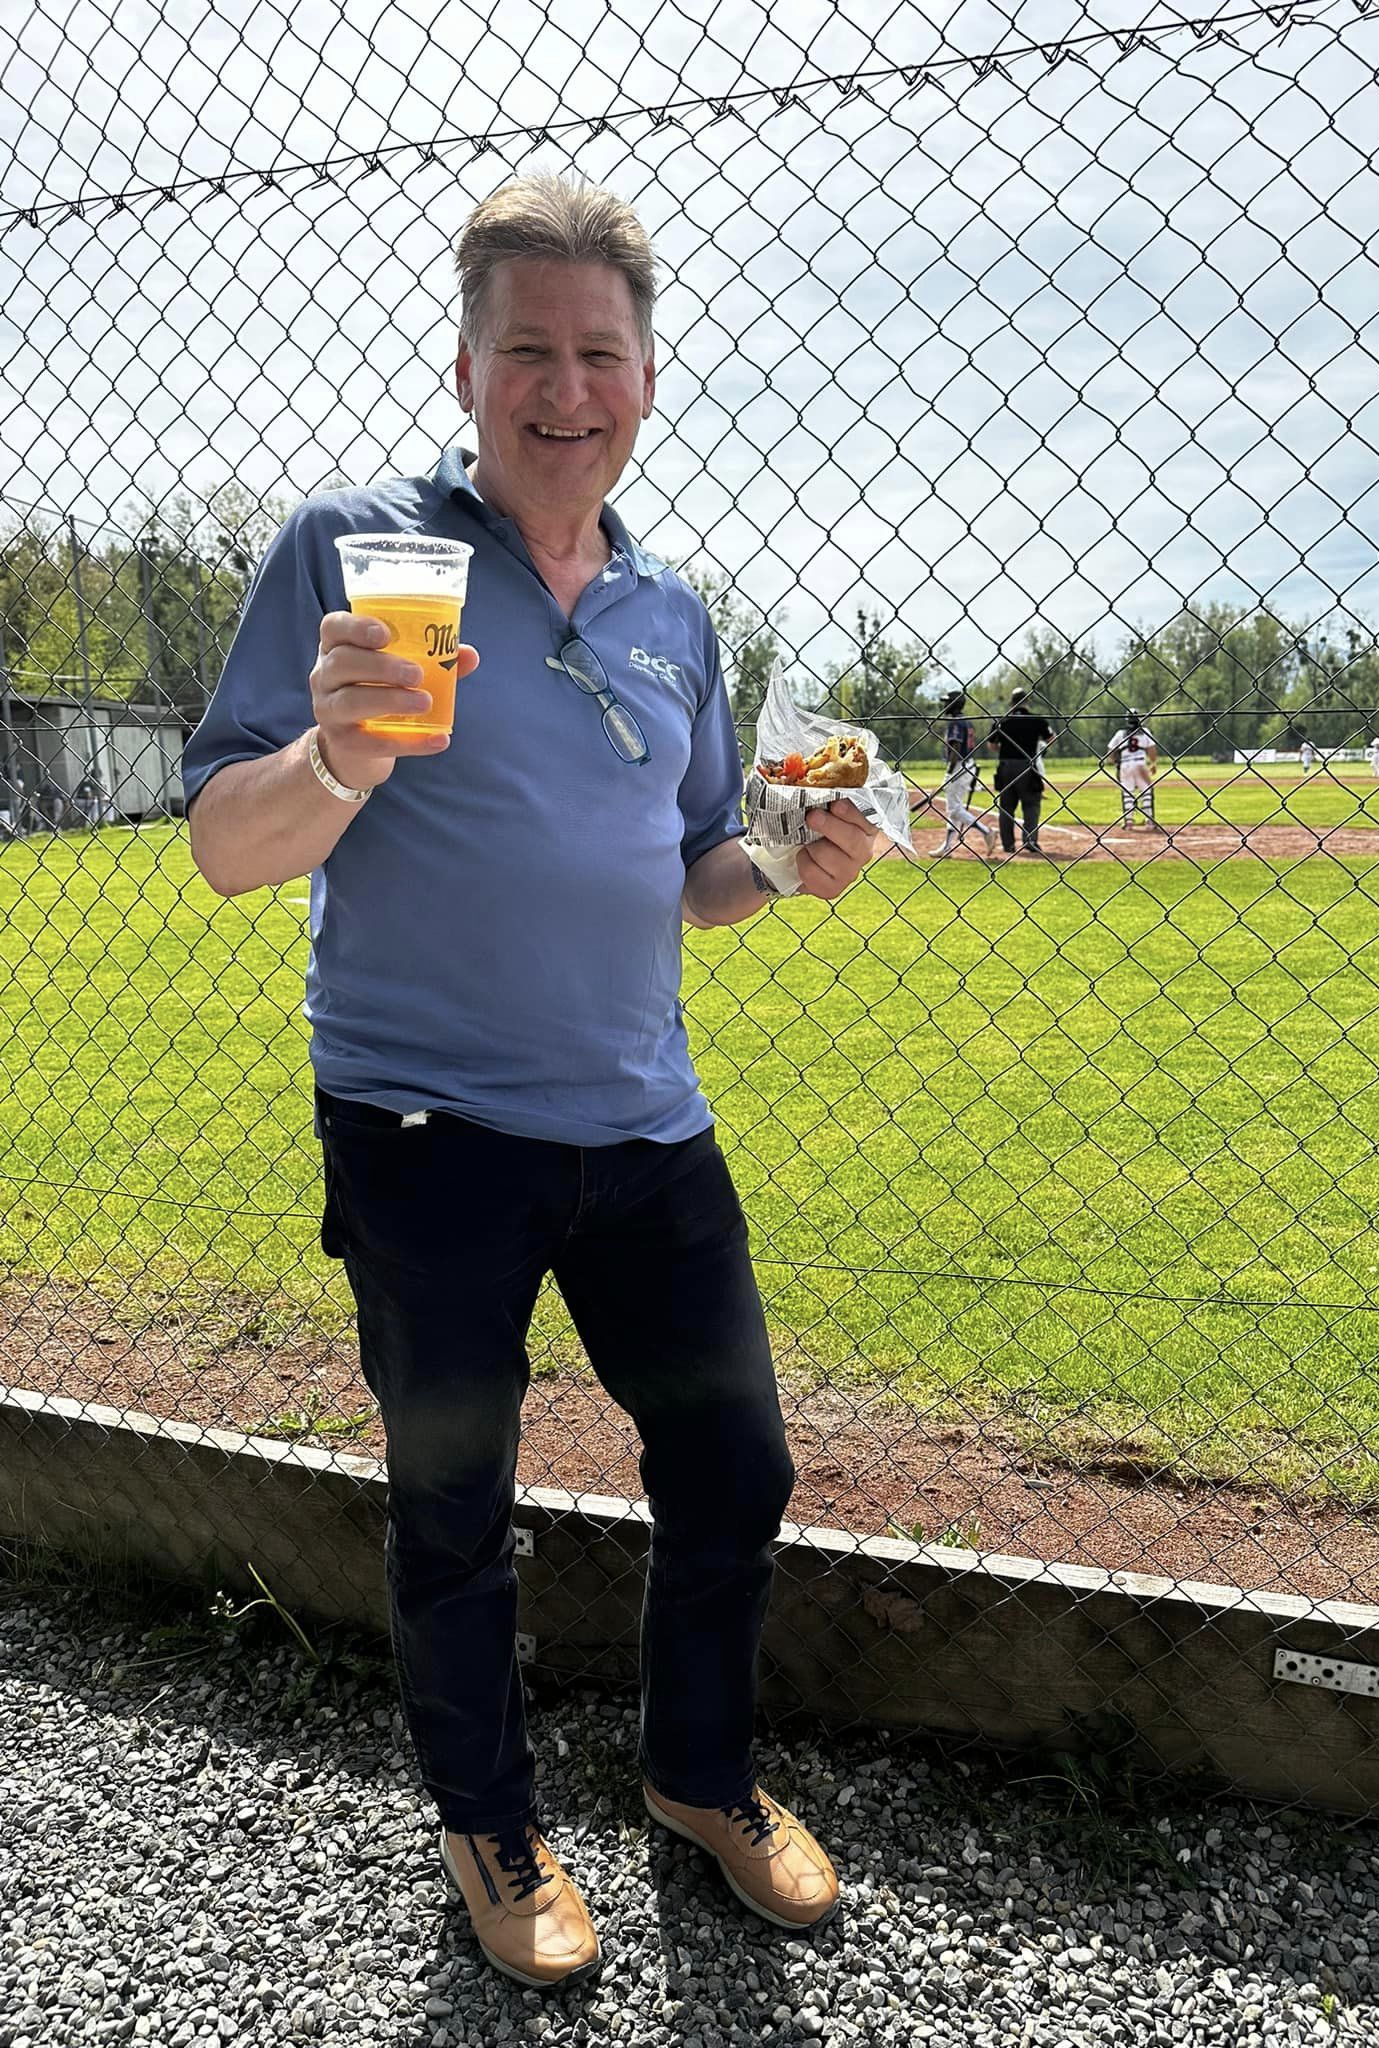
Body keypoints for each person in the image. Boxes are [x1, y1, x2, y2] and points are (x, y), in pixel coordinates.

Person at [183, 175, 880, 1990]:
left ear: (646, 375)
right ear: (469, 367)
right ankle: (487, 1818)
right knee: (453, 1501)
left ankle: (697, 1776)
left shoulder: (672, 614)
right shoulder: (354, 552)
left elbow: (696, 868)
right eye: (527, 352)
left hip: (645, 1126)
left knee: (733, 1465)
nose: (566, 390)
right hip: (426, 1132)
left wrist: (787, 859)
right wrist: (338, 757)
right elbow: (226, 846)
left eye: (599, 354)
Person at [987, 685, 1055, 855]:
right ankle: (1030, 841)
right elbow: (1051, 738)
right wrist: (1038, 747)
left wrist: (1004, 748)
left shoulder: (1002, 721)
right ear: (1027, 702)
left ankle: (1008, 844)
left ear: (1012, 703)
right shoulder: (1037, 720)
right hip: (1027, 765)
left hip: (1006, 766)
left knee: (1006, 807)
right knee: (1031, 804)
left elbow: (991, 745)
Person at [936, 688, 995, 855]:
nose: (944, 705)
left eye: (947, 703)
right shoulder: (967, 721)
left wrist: (949, 772)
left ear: (954, 705)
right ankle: (947, 847)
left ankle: (986, 832)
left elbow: (955, 747)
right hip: (968, 764)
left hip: (958, 766)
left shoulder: (956, 722)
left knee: (954, 809)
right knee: (954, 808)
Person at [1105, 711, 1159, 829]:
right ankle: (1149, 821)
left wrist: (1116, 762)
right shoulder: (1144, 731)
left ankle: (1128, 822)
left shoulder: (1120, 733)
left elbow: (1110, 752)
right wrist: (1153, 763)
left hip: (1125, 764)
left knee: (1127, 793)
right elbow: (1152, 749)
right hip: (1140, 764)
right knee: (1147, 791)